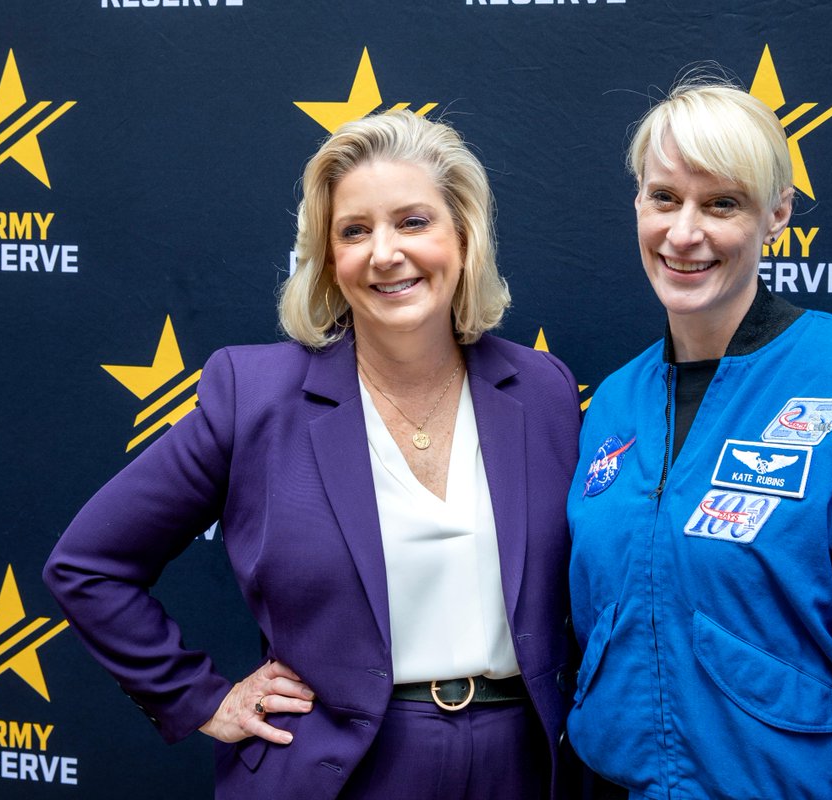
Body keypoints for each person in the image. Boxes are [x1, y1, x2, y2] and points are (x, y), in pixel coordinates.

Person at [44, 110, 581, 800]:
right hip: (335, 773)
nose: (385, 252)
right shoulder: (255, 393)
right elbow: (89, 564)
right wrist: (199, 698)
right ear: (329, 259)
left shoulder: (543, 389)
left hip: (521, 771)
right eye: (355, 231)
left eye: (413, 222)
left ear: (464, 234)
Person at [565, 77, 832, 799]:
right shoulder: (614, 402)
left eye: (722, 204)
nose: (684, 233)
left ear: (778, 214)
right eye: (664, 199)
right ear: (638, 206)